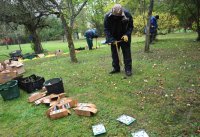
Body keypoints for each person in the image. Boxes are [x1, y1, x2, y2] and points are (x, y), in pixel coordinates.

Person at [104, 4, 133, 76]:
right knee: (114, 53)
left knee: (127, 53)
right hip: (113, 36)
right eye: (116, 16)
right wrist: (111, 39)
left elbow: (130, 26)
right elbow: (106, 29)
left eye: (119, 16)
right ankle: (116, 68)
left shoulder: (127, 14)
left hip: (124, 36)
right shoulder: (107, 16)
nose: (117, 17)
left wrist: (127, 34)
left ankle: (128, 69)